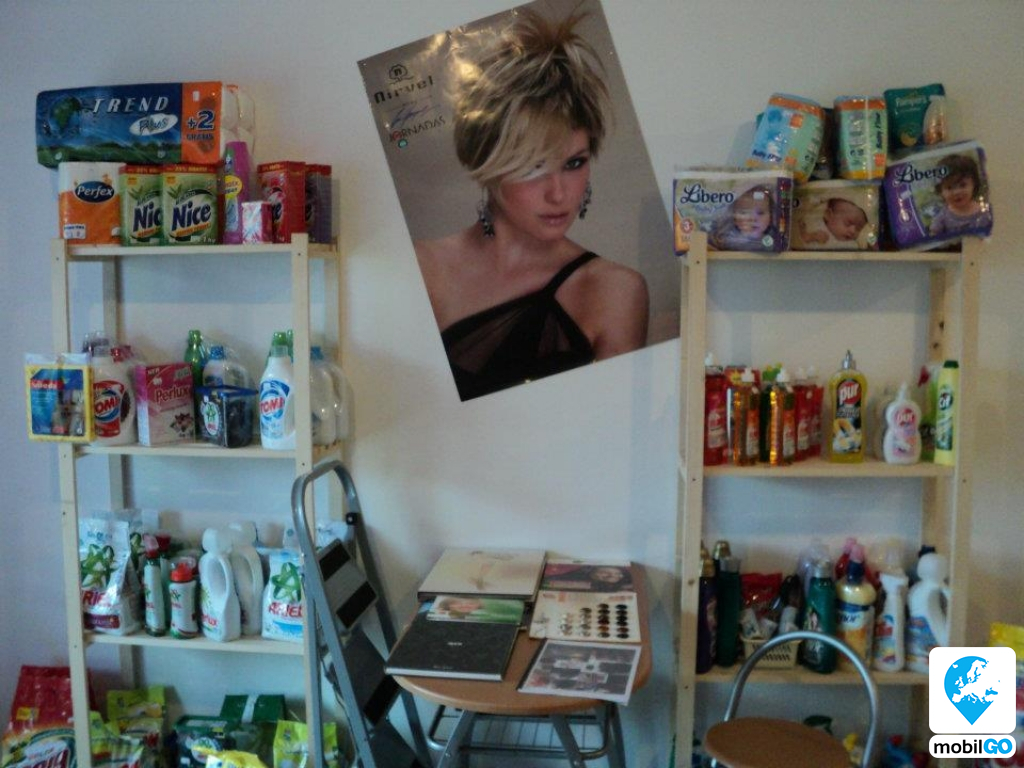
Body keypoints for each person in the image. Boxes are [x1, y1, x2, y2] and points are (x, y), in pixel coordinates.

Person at [414, 10, 650, 401]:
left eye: (574, 163)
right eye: (533, 167)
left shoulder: (613, 290)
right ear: (487, 165)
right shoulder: (423, 268)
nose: (559, 194)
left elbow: (615, 422)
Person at [929, 154, 992, 236]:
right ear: (941, 191)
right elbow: (933, 237)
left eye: (963, 185)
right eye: (949, 187)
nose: (956, 192)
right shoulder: (942, 216)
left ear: (974, 184)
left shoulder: (985, 213)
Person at [708, 185, 777, 250]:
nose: (753, 219)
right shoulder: (723, 240)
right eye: (744, 213)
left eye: (760, 213)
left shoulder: (775, 241)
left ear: (771, 216)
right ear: (733, 218)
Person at [799, 197, 869, 246]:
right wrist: (812, 236)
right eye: (848, 223)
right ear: (828, 215)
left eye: (858, 229)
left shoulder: (853, 244)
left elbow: (870, 240)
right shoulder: (818, 227)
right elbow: (801, 237)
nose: (853, 231)